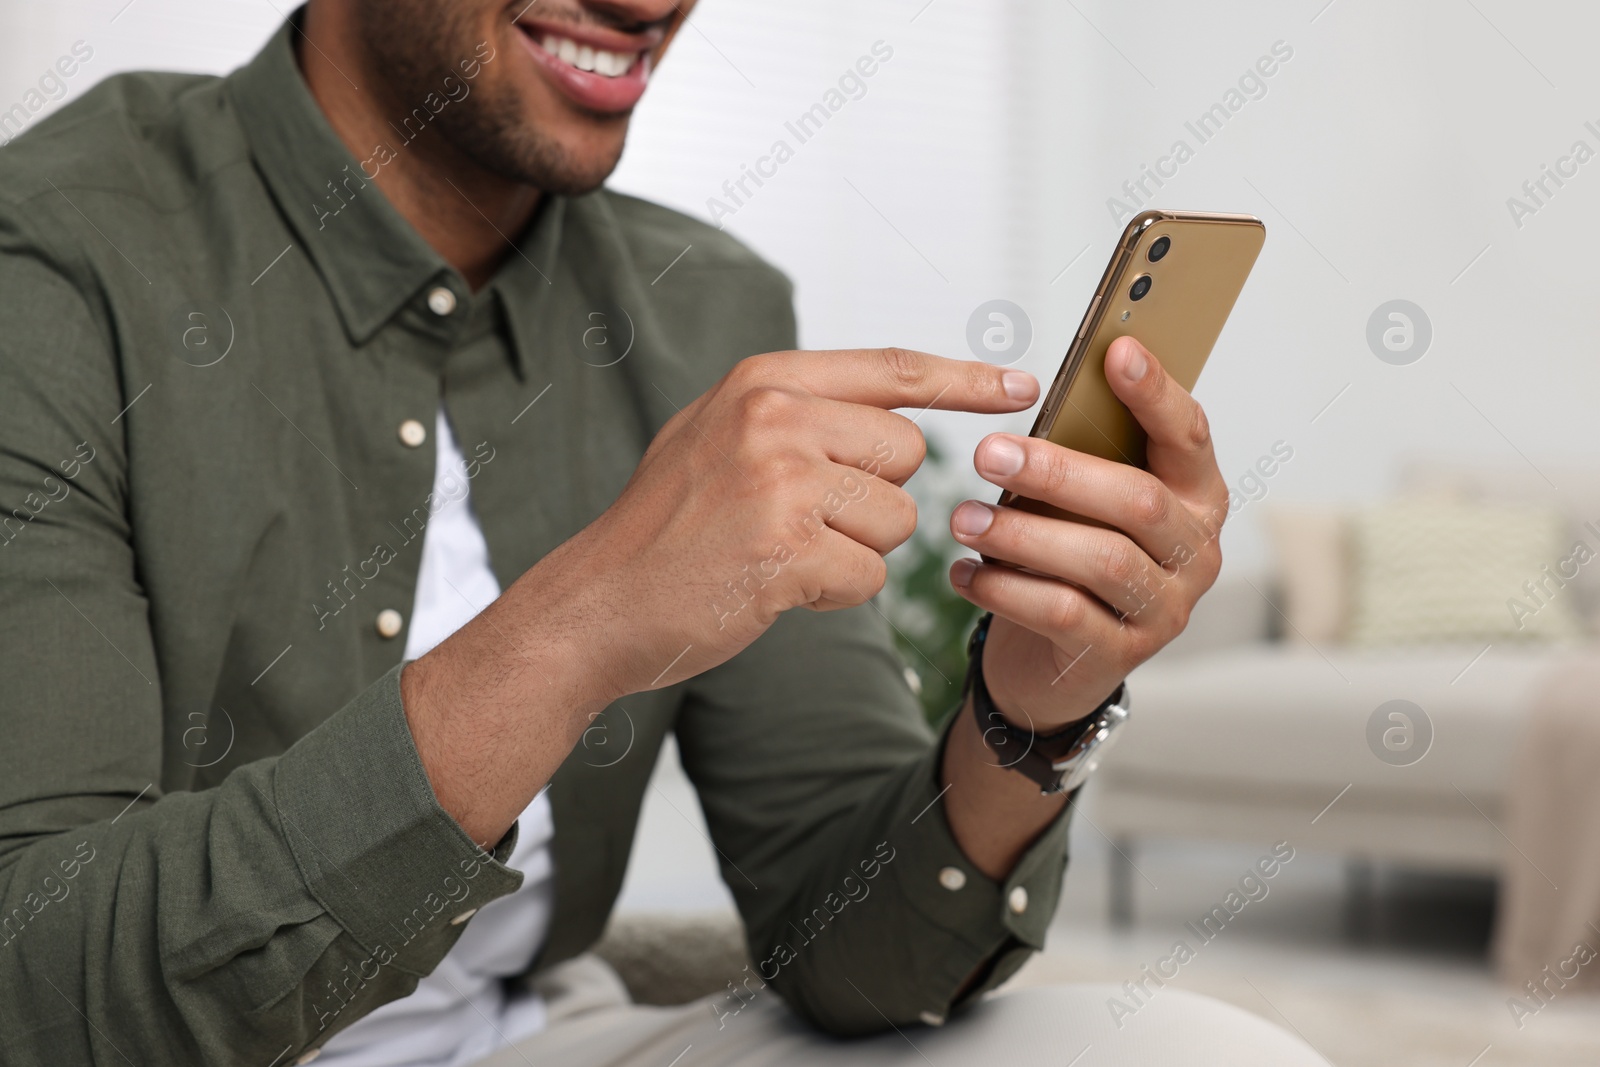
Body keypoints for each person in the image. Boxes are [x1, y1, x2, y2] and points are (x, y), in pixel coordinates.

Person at [0, 2, 1322, 1064]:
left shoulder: (709, 309)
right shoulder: (59, 264)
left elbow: (855, 951)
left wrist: (1032, 710)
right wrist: (585, 623)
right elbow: (38, 992)